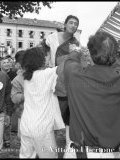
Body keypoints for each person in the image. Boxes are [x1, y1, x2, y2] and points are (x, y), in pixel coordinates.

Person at [63, 31, 120, 158]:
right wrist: (109, 54)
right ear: (114, 54)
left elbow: (69, 62)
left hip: (83, 152)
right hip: (112, 152)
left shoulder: (75, 75)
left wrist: (76, 50)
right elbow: (117, 65)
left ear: (90, 53)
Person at [19, 47, 65, 158]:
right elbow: (65, 65)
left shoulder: (27, 77)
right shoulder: (47, 74)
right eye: (44, 56)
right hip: (42, 128)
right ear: (40, 60)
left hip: (26, 125)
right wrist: (75, 51)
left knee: (26, 156)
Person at [45, 15, 80, 150]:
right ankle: (47, 143)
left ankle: (69, 144)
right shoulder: (52, 38)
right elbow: (45, 55)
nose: (73, 26)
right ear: (65, 24)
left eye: (76, 24)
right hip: (51, 76)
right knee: (51, 112)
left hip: (66, 80)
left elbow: (75, 61)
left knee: (69, 112)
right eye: (71, 23)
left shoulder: (75, 42)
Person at [0, 56, 17, 148]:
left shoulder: (14, 74)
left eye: (7, 62)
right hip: (0, 99)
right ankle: (0, 138)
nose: (6, 64)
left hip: (11, 98)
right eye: (4, 63)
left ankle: (6, 139)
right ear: (0, 65)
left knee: (7, 119)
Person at [11, 50, 25, 140]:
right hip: (24, 114)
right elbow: (15, 98)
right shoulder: (17, 79)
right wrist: (28, 94)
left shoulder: (40, 74)